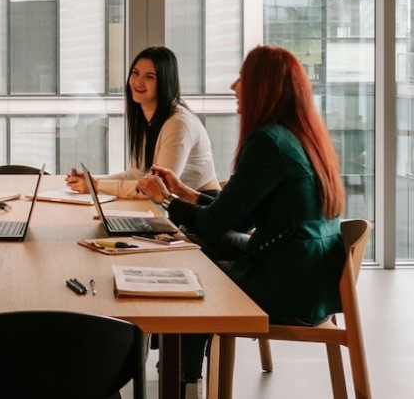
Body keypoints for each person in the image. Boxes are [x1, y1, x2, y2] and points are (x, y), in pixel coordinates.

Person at [137, 46, 346, 395]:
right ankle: (181, 371)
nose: (235, 86)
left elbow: (216, 224)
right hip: (311, 277)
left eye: (243, 78)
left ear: (263, 87)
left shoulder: (267, 141)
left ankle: (185, 382)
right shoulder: (299, 135)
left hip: (289, 287)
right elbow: (241, 213)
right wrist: (186, 193)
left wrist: (165, 199)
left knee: (191, 268)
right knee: (190, 244)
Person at [66, 47, 216, 199]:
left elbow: (158, 188)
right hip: (174, 207)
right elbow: (136, 174)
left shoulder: (178, 123)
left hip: (199, 210)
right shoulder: (146, 118)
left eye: (150, 77)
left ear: (165, 82)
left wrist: (97, 186)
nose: (138, 81)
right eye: (135, 73)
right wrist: (93, 181)